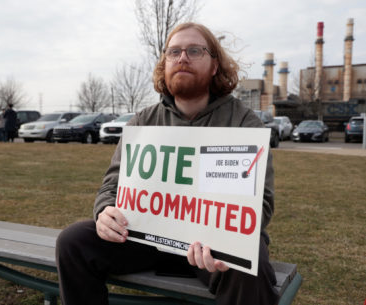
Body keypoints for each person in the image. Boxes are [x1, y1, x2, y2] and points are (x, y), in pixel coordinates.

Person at [56, 22, 279, 305]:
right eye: (173, 52)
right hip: (144, 237)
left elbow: (262, 205)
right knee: (73, 242)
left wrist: (224, 239)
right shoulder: (143, 121)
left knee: (249, 263)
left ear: (214, 65)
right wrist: (105, 212)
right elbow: (113, 183)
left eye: (194, 50)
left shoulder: (244, 123)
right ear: (165, 63)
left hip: (210, 246)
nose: (182, 57)